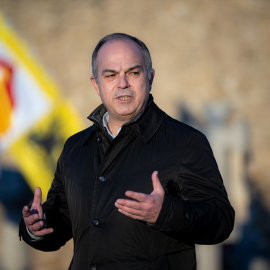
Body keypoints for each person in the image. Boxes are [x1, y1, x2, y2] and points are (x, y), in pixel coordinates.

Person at [19, 33, 235, 270]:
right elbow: (61, 221)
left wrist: (165, 213)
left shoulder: (185, 142)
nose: (122, 83)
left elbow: (221, 220)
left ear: (150, 78)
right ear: (96, 84)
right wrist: (36, 226)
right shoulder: (75, 147)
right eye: (110, 75)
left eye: (133, 72)